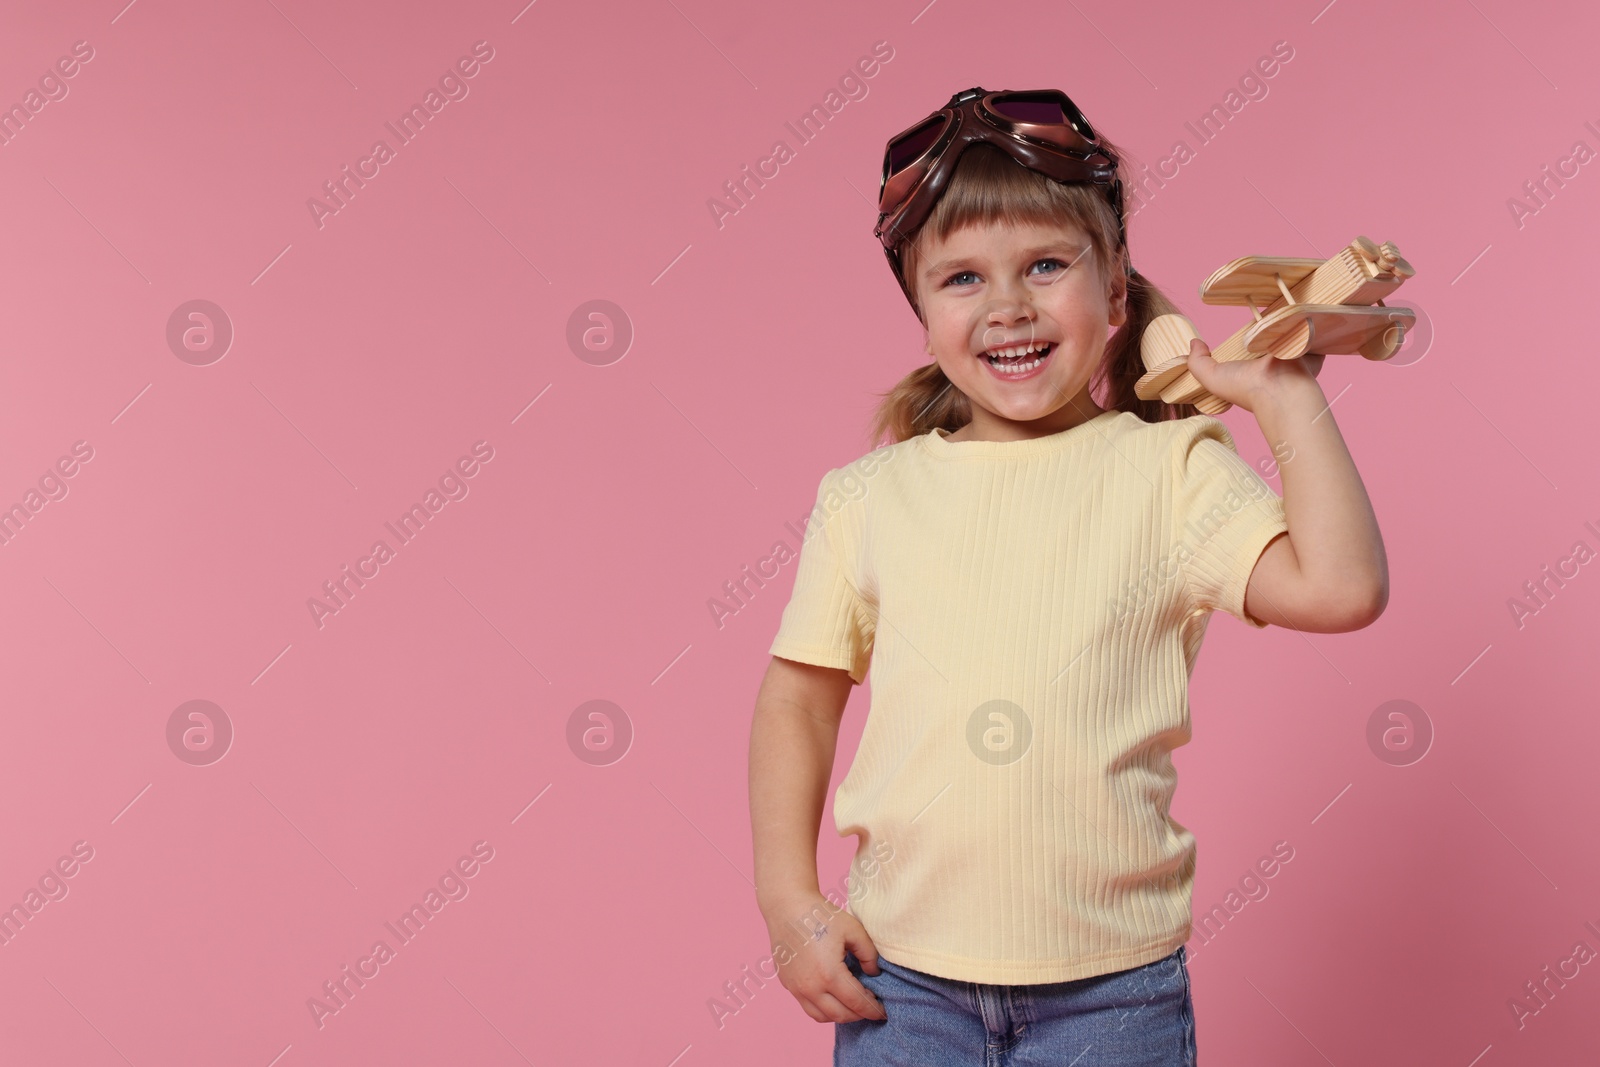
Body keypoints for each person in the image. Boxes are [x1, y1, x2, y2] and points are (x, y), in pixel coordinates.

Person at [747, 87, 1388, 1065]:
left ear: (1115, 290)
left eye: (1046, 265)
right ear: (918, 307)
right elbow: (797, 702)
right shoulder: (864, 496)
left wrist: (1282, 396)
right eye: (961, 277)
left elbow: (1341, 589)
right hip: (902, 985)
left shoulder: (1168, 472)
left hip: (1111, 993)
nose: (1008, 305)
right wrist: (789, 899)